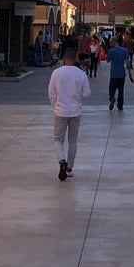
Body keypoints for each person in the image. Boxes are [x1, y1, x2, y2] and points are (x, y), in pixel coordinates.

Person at [48, 43, 91, 180]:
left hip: (60, 110)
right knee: (73, 140)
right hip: (75, 110)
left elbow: (51, 93)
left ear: (63, 59)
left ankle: (62, 160)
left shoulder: (56, 73)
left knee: (58, 139)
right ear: (75, 58)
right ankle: (69, 168)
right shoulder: (81, 74)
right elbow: (87, 93)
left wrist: (55, 106)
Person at [106, 36, 130, 111]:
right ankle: (120, 105)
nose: (110, 44)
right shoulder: (124, 50)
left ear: (114, 42)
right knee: (121, 90)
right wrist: (129, 72)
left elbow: (107, 60)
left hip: (114, 73)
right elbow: (127, 62)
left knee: (111, 88)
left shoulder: (111, 51)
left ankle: (112, 97)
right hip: (121, 73)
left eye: (110, 42)